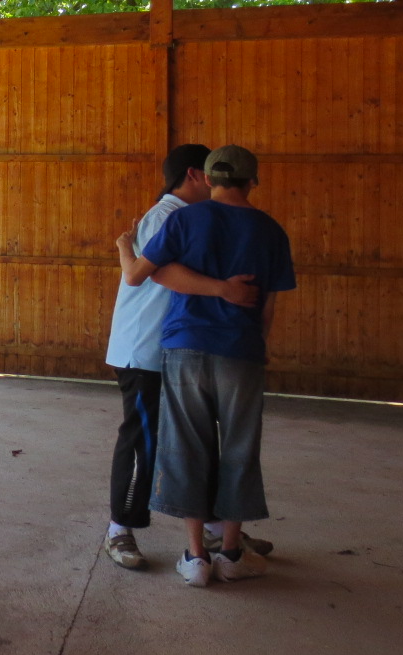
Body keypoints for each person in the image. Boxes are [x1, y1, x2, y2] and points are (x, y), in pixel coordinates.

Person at [117, 144, 296, 589]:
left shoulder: (182, 219)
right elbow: (269, 305)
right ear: (253, 180)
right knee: (239, 446)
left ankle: (196, 557)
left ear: (209, 179)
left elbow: (147, 273)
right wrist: (256, 344)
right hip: (241, 350)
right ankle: (232, 551)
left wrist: (126, 244)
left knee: (186, 445)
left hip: (185, 347)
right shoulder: (271, 230)